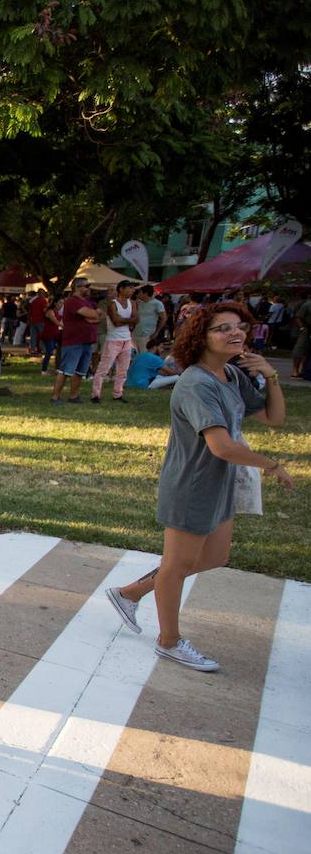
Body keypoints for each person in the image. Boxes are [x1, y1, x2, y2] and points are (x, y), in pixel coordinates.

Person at [104, 303, 291, 672]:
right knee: (176, 566)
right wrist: (272, 465)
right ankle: (168, 641)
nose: (234, 333)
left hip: (221, 482)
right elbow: (220, 445)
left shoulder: (231, 377)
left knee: (214, 557)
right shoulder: (195, 384)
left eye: (239, 327)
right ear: (200, 337)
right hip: (191, 485)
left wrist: (271, 377)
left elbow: (275, 418)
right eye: (222, 328)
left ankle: (130, 594)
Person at [50, 278, 101, 404]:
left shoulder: (88, 301)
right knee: (66, 370)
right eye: (87, 286)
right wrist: (93, 316)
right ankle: (55, 397)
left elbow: (100, 315)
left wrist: (93, 316)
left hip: (87, 341)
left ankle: (74, 396)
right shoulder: (72, 301)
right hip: (74, 341)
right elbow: (93, 315)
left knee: (80, 371)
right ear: (78, 287)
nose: (89, 288)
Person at [92, 280, 139, 403]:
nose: (132, 290)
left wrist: (123, 319)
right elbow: (116, 321)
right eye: (130, 288)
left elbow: (135, 319)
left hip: (126, 340)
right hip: (113, 340)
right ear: (121, 289)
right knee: (103, 369)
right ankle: (95, 395)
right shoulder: (113, 304)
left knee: (123, 370)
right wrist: (129, 320)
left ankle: (118, 394)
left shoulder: (132, 303)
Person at [132, 285, 167, 355]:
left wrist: (157, 332)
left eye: (140, 292)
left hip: (147, 334)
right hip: (135, 333)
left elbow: (164, 318)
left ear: (146, 293)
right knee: (134, 355)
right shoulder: (138, 303)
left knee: (144, 354)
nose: (138, 294)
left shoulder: (157, 303)